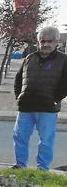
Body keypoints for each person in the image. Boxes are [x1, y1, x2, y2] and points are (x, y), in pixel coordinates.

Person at [12, 26, 67, 171]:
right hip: (25, 107)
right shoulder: (30, 58)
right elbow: (18, 79)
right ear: (38, 42)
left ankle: (43, 169)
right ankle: (20, 165)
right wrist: (19, 96)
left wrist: (55, 98)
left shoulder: (63, 59)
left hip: (48, 108)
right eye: (43, 41)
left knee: (46, 141)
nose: (46, 44)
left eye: (50, 41)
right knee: (19, 138)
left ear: (57, 42)